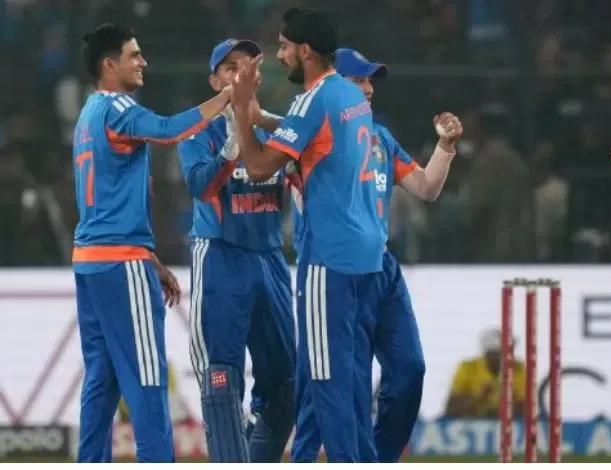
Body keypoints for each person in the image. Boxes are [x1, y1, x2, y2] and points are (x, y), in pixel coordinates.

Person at [288, 47, 462, 463]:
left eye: (370, 81)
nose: (368, 90)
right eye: (358, 81)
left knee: (410, 369)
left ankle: (378, 460)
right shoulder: (314, 134)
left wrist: (445, 146)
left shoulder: (380, 139)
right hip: (335, 267)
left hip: (381, 267)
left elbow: (426, 188)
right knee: (339, 385)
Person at [229, 8, 385, 463]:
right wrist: (264, 119)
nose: (280, 56)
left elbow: (259, 167)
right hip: (366, 253)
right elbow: (316, 135)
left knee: (325, 379)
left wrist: (241, 112)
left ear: (306, 50)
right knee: (351, 375)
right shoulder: (350, 95)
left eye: (283, 47)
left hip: (328, 256)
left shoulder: (312, 99)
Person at [73, 23, 232, 462]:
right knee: (147, 380)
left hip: (92, 261)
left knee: (101, 381)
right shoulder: (119, 107)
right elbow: (167, 129)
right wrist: (226, 98)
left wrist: (151, 260)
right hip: (121, 264)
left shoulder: (88, 114)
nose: (143, 61)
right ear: (110, 65)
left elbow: (107, 199)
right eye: (134, 55)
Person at [176, 39, 295, 462]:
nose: (241, 74)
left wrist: (260, 121)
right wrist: (232, 139)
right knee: (222, 377)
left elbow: (320, 146)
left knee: (287, 381)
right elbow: (199, 185)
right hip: (221, 255)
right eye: (230, 68)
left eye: (248, 66)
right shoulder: (197, 130)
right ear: (214, 81)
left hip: (271, 257)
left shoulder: (274, 130)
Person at [444, 329, 526, 419]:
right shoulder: (468, 367)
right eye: (500, 353)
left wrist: (509, 401)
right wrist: (478, 398)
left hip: (509, 421)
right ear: (488, 353)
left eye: (510, 351)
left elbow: (526, 404)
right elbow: (452, 406)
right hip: (471, 421)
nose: (508, 357)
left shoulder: (518, 368)